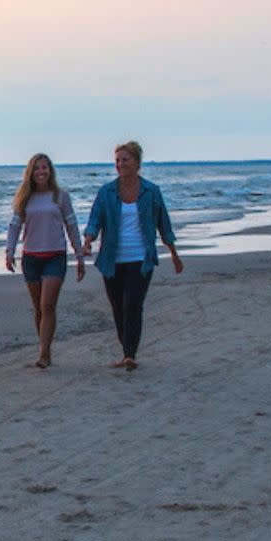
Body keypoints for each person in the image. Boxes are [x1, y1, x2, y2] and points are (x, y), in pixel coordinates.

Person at [82, 140, 182, 370]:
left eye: (125, 159)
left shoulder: (151, 191)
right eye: (117, 160)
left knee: (133, 305)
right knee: (118, 308)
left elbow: (163, 224)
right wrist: (88, 241)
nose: (120, 164)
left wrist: (174, 254)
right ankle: (127, 350)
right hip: (112, 260)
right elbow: (95, 220)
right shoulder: (106, 192)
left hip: (140, 258)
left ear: (137, 163)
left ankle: (129, 355)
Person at [3, 153, 86, 369]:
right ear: (31, 173)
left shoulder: (60, 196)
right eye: (37, 168)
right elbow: (14, 226)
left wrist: (79, 255)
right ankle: (45, 347)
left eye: (45, 168)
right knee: (38, 308)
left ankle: (44, 353)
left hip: (55, 256)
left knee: (47, 305)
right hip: (31, 258)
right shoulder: (24, 197)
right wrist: (9, 251)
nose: (41, 172)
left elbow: (72, 226)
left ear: (51, 171)